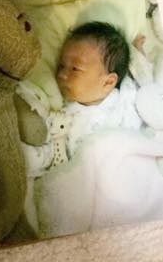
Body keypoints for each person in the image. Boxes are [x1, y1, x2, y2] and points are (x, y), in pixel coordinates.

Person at [21, 21, 143, 175]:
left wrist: (138, 52)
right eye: (61, 66)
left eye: (75, 68)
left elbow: (144, 81)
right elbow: (56, 149)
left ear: (108, 82)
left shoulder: (126, 95)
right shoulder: (65, 113)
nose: (62, 75)